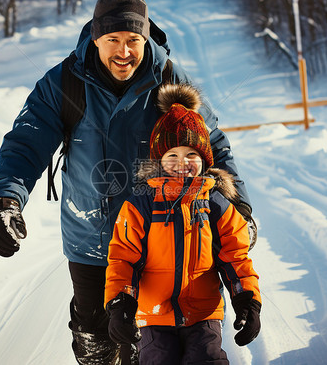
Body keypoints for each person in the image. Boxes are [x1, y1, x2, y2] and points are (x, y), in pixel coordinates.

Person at [0, 0, 255, 364]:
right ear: (95, 38)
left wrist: (237, 204)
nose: (123, 51)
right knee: (95, 342)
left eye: (133, 40)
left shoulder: (169, 80)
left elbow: (212, 145)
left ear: (145, 38)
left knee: (149, 347)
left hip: (161, 240)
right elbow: (25, 144)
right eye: (112, 40)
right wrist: (6, 201)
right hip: (91, 242)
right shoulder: (64, 82)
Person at [104, 83, 261, 364]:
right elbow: (122, 259)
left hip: (203, 313)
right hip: (152, 315)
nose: (182, 163)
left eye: (192, 155)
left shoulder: (216, 203)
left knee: (208, 358)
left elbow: (235, 255)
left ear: (204, 159)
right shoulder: (140, 204)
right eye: (172, 155)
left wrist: (246, 298)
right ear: (159, 159)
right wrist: (121, 302)